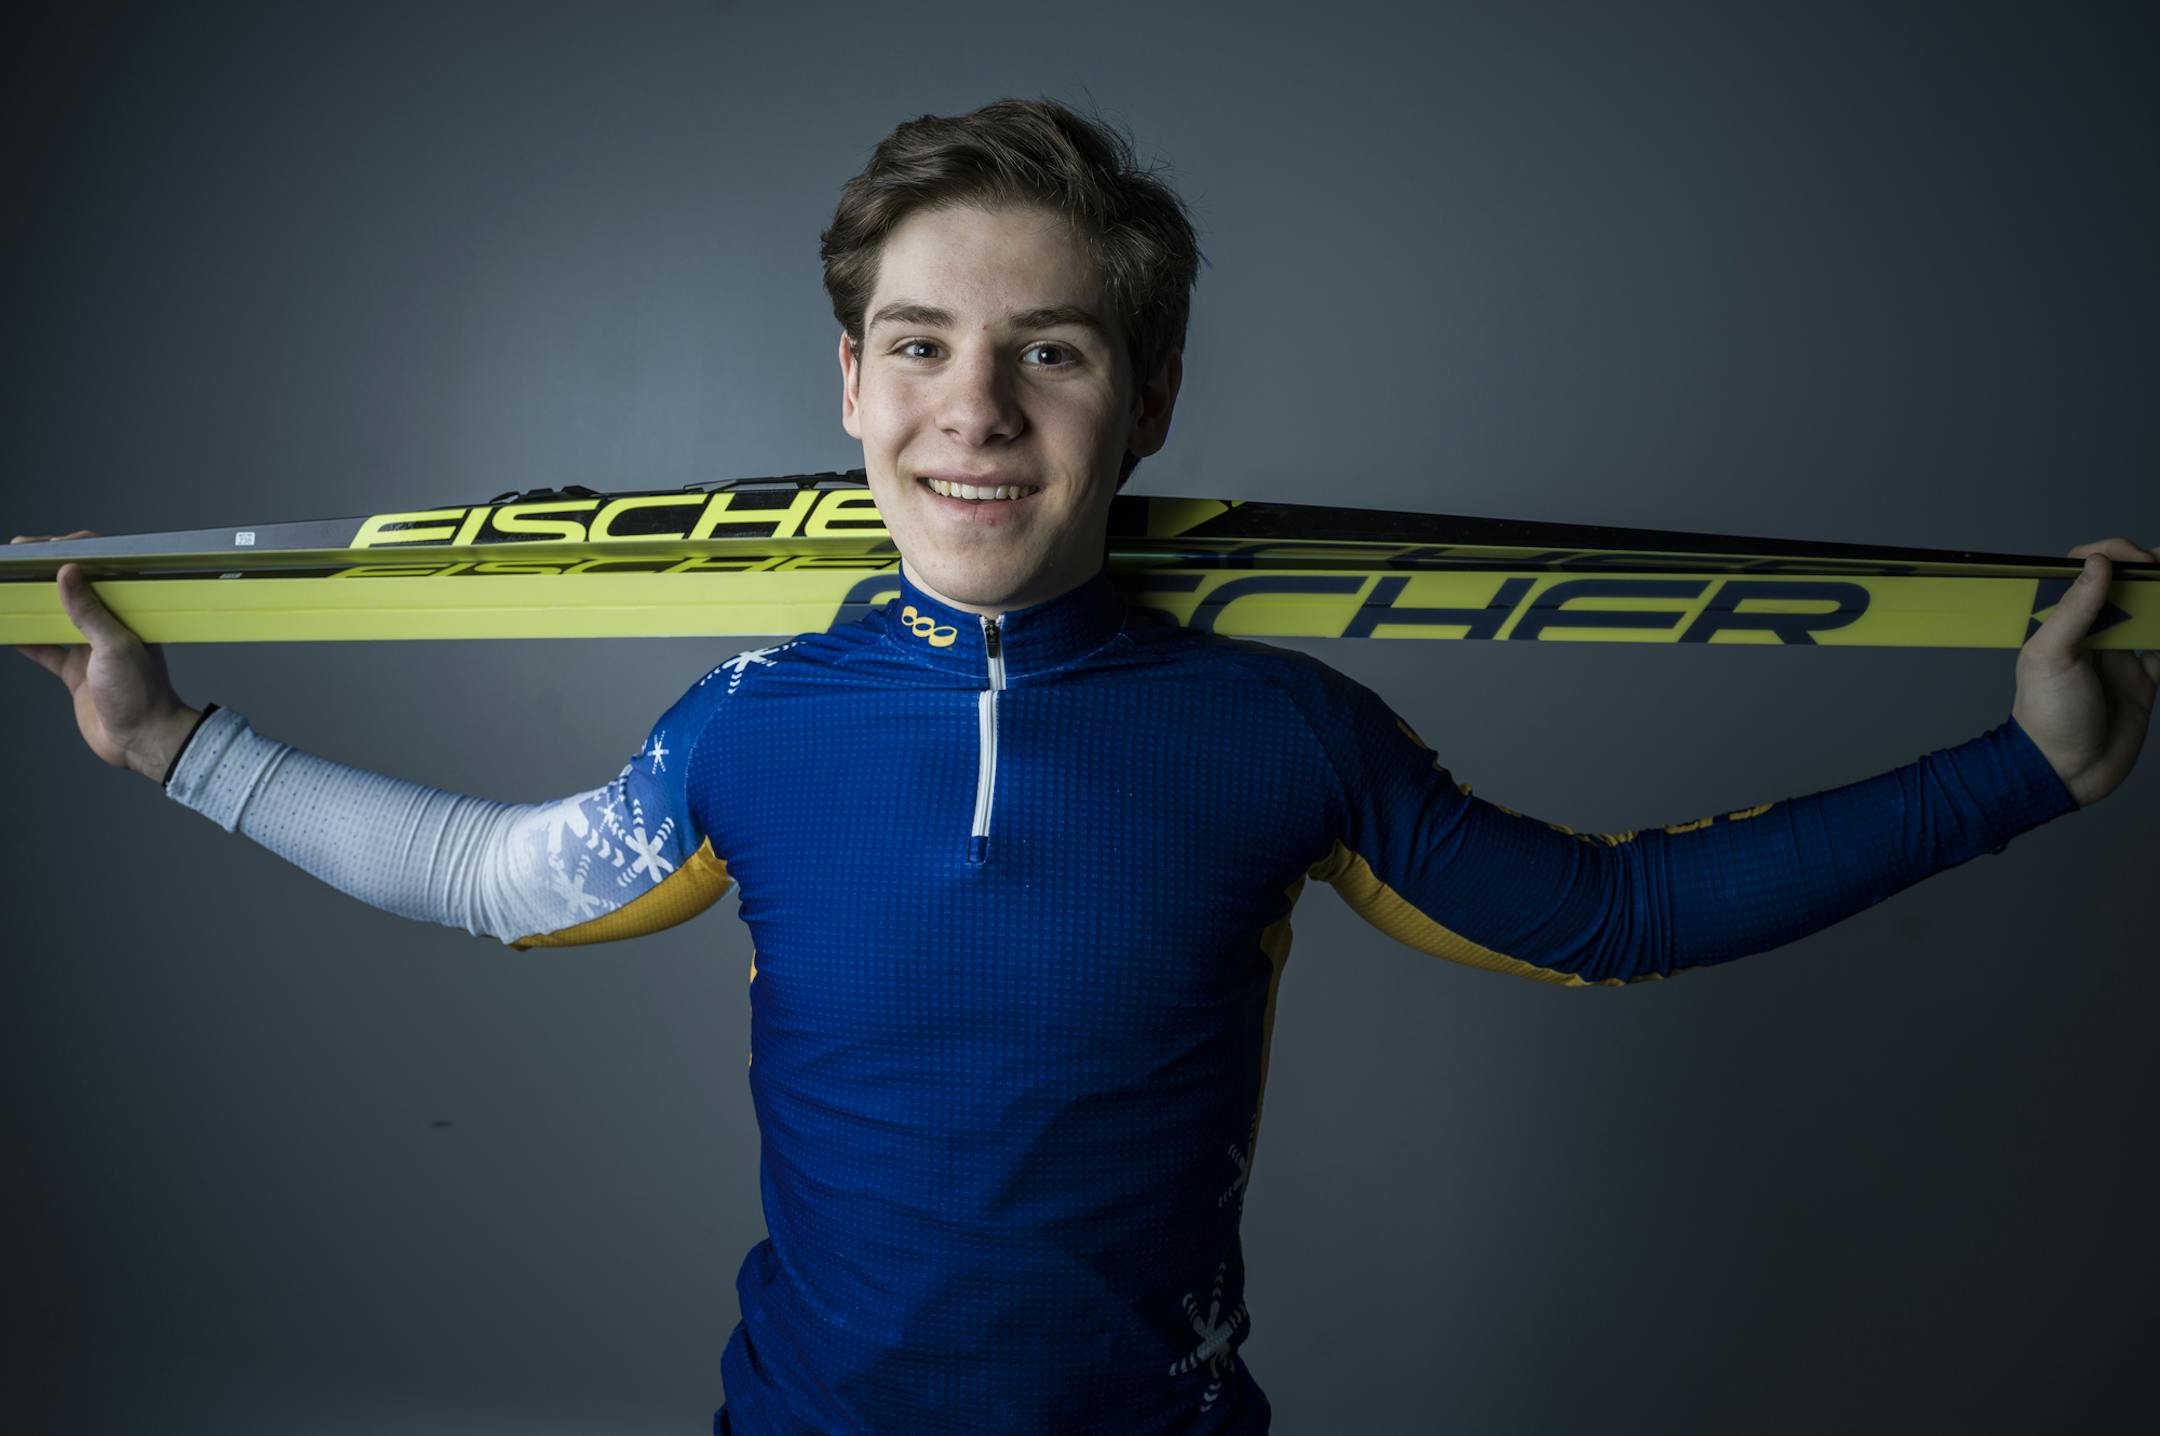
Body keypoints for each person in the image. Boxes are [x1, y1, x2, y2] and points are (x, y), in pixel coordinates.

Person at [12, 98, 2156, 1436]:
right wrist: (178, 748)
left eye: (1051, 350)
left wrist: (2022, 769)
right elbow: (494, 873)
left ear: (1145, 401)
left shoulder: (1281, 732)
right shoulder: (752, 725)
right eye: (924, 349)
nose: (978, 411)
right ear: (848, 386)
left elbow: (1618, 914)